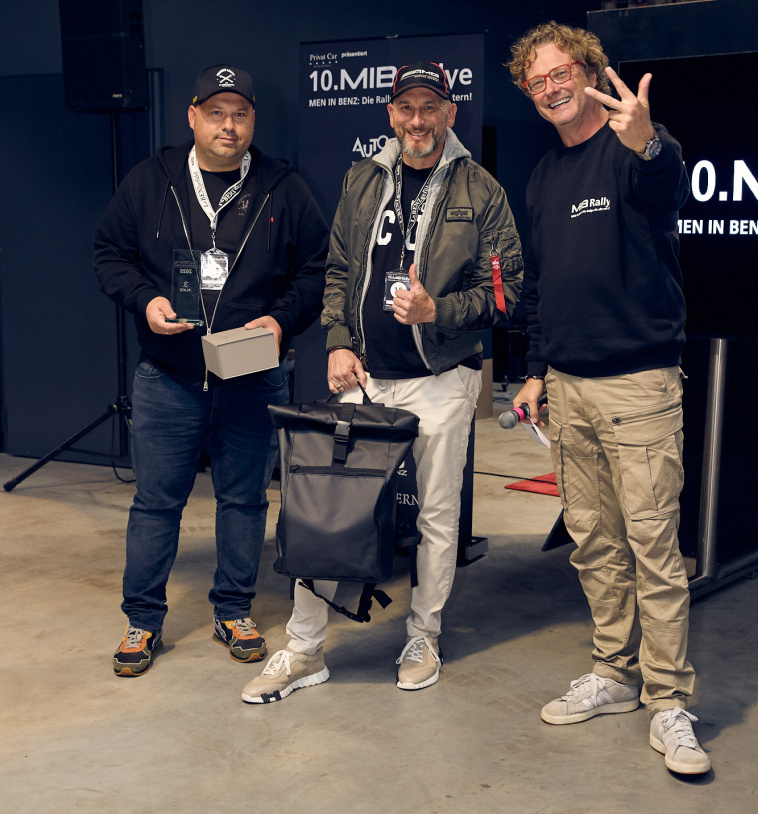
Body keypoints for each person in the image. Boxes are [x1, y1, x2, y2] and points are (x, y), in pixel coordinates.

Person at [241, 62, 522, 704]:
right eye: (407, 108)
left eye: (431, 107)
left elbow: (507, 294)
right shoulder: (363, 177)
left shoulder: (482, 191)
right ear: (391, 114)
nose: (418, 120)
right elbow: (339, 269)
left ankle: (423, 636)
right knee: (325, 508)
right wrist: (339, 341)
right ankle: (305, 648)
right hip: (363, 375)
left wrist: (436, 311)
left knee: (437, 517)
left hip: (440, 379)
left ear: (450, 112)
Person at [509, 22, 710, 776]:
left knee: (653, 549)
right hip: (567, 388)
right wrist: (537, 371)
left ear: (591, 73)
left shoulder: (633, 151)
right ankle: (614, 673)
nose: (551, 87)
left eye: (562, 72)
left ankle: (670, 704)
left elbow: (666, 184)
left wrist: (648, 142)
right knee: (593, 543)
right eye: (536, 81)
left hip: (638, 386)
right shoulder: (542, 177)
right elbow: (539, 287)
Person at [95, 65, 328, 677]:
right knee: (156, 504)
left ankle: (233, 609)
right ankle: (143, 620)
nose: (229, 126)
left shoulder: (283, 187)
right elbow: (110, 254)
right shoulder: (151, 180)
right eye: (217, 113)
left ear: (253, 121)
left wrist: (281, 321)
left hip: (252, 376)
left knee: (244, 500)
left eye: (240, 114)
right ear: (193, 116)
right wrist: (146, 299)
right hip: (168, 376)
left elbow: (317, 269)